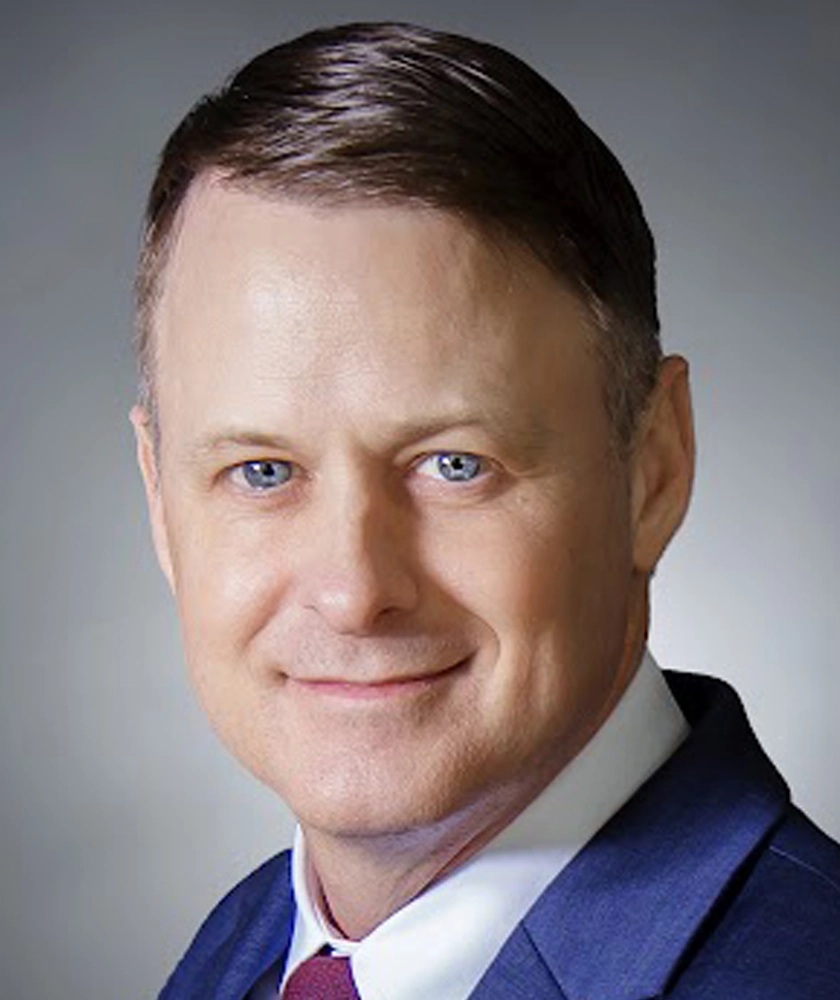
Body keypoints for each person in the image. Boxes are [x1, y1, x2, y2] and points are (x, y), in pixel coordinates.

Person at [130, 21, 840, 1000]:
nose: (354, 591)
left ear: (654, 470)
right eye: (262, 471)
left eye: (453, 464)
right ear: (159, 500)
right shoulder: (239, 953)